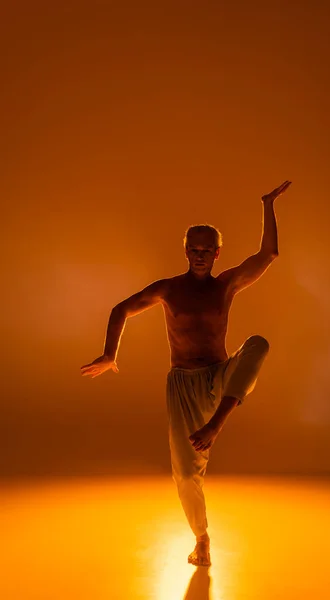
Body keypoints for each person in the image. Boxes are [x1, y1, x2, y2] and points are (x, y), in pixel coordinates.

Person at [81, 180, 292, 567]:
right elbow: (120, 310)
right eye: (193, 249)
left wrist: (267, 205)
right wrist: (110, 354)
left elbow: (270, 253)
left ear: (216, 253)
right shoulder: (168, 289)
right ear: (185, 250)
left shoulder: (226, 285)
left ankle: (218, 424)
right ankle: (202, 540)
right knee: (185, 474)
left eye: (206, 250)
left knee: (258, 343)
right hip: (182, 386)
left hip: (220, 376)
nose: (199, 255)